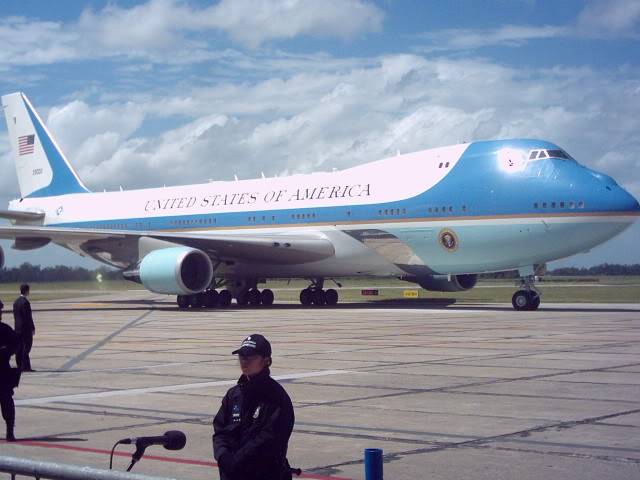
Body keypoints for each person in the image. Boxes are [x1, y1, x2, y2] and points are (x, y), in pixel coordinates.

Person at [213, 334, 295, 480]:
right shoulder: (234, 395)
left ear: (266, 361)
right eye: (242, 356)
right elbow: (220, 430)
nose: (244, 361)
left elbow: (269, 439)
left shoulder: (276, 398)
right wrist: (222, 456)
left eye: (250, 356)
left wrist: (236, 461)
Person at [0, 300, 19, 441]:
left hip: (3, 371)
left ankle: (10, 431)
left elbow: (16, 345)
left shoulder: (5, 329)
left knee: (7, 402)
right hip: (3, 372)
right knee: (7, 401)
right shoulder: (5, 329)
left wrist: (6, 351)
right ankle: (10, 431)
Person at [13, 284, 35, 372]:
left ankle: (20, 366)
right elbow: (28, 317)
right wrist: (32, 328)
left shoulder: (16, 302)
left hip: (17, 328)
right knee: (27, 347)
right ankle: (25, 366)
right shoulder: (25, 302)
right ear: (26, 291)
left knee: (20, 347)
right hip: (25, 329)